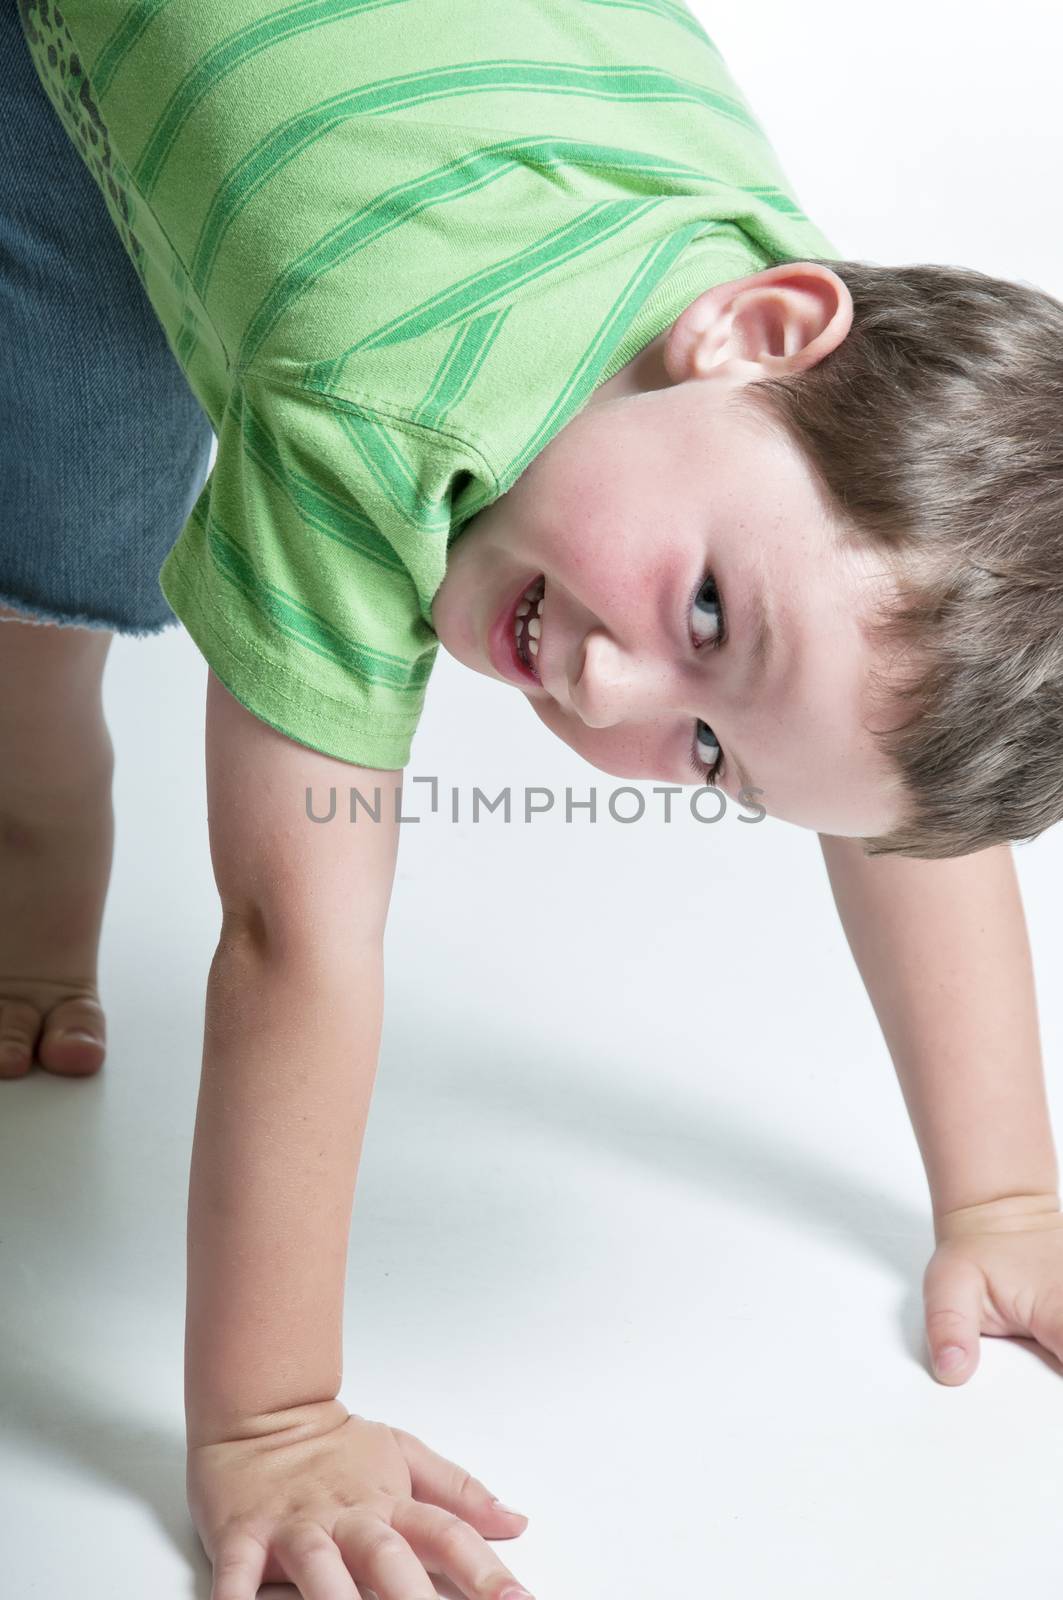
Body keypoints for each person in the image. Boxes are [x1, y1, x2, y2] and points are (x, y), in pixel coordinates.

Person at [4, 2, 1063, 1597]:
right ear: (760, 329)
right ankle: (25, 917)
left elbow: (891, 808)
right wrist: (272, 1421)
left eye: (712, 760)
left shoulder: (796, 414)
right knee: (48, 584)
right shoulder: (371, 403)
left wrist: (1011, 1193)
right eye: (708, 615)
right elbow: (294, 932)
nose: (612, 697)